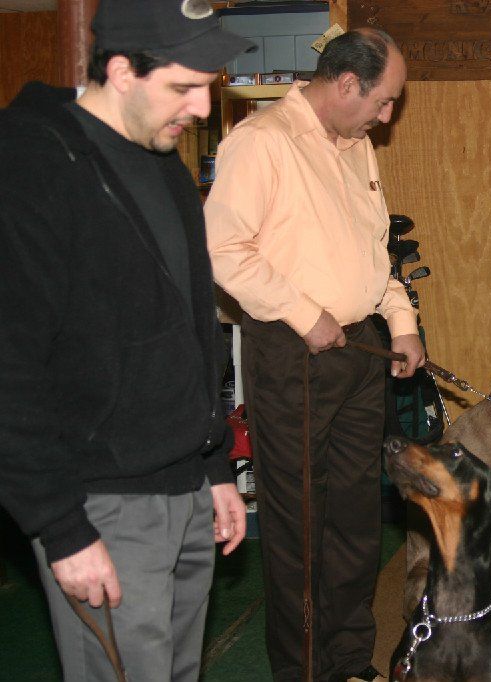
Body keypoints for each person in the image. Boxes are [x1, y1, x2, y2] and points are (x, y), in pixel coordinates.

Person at [0, 1, 254, 680]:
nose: (202, 108)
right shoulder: (30, 165)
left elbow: (192, 326)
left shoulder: (161, 155)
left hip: (184, 487)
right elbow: (9, 365)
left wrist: (213, 465)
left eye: (210, 84)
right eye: (183, 87)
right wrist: (60, 526)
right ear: (120, 70)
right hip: (101, 500)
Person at [204, 28, 424, 682]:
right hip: (293, 351)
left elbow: (373, 253)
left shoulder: (356, 147)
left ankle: (350, 663)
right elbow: (223, 251)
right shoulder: (261, 143)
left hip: (362, 350)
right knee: (302, 530)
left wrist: (402, 321)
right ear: (346, 84)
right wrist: (305, 314)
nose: (388, 117)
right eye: (384, 101)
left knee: (357, 523)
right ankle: (305, 673)